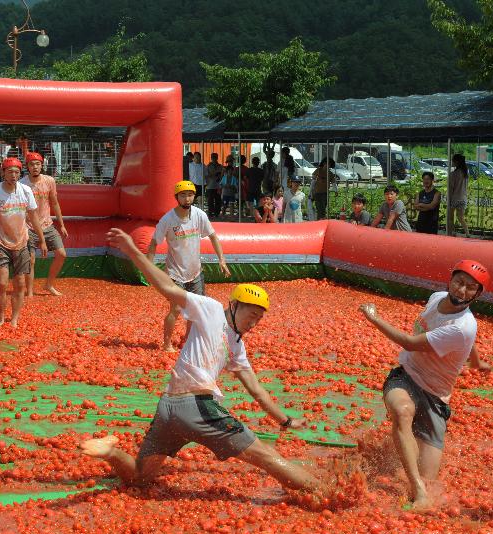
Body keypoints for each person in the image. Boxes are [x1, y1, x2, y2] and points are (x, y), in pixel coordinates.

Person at [82, 228, 320, 493]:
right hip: (197, 407)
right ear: (233, 306)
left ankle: (111, 453)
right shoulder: (211, 309)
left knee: (140, 478)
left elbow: (257, 391)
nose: (253, 323)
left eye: (258, 319)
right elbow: (167, 287)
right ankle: (327, 491)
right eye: (251, 315)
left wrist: (285, 421)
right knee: (267, 457)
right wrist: (133, 251)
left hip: (169, 410)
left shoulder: (236, 347)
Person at [359, 260, 492, 509]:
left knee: (430, 478)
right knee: (402, 411)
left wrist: (374, 318)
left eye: (471, 288)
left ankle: (404, 458)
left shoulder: (463, 327)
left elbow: (410, 342)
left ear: (478, 294)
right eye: (459, 282)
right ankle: (416, 490)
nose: (462, 291)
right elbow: (465, 344)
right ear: (450, 280)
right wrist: (476, 361)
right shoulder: (436, 298)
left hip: (436, 397)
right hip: (406, 376)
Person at [147, 181, 230, 352]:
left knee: (195, 309)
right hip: (175, 272)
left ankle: (188, 340)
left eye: (190, 195)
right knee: (176, 308)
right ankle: (167, 343)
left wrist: (222, 259)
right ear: (176, 197)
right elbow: (154, 242)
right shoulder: (168, 219)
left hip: (195, 271)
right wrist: (149, 267)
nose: (187, 199)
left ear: (194, 196)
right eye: (183, 195)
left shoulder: (199, 215)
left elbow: (213, 236)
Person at [0, 158, 47, 328]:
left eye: (17, 172)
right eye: (10, 171)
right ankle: (2, 318)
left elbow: (33, 217)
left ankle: (15, 319)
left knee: (20, 284)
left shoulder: (26, 191)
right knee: (2, 283)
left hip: (22, 242)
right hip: (1, 243)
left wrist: (42, 240)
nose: (13, 175)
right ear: (3, 172)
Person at [21, 152, 68, 297]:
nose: (35, 167)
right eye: (31, 164)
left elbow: (54, 203)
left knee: (61, 254)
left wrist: (62, 225)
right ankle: (29, 292)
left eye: (37, 164)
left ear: (42, 165)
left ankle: (49, 284)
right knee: (31, 260)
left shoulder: (49, 181)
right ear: (27, 167)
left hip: (47, 224)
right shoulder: (22, 184)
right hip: (29, 227)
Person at [446, 154, 469, 237]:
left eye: (453, 160)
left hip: (454, 198)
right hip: (463, 198)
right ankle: (467, 233)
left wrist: (449, 199)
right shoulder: (465, 173)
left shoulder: (453, 174)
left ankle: (451, 233)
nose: (451, 162)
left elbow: (451, 188)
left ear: (456, 162)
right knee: (461, 218)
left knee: (451, 217)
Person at [204, 153, 223, 218]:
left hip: (218, 186)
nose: (214, 158)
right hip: (210, 186)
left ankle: (217, 213)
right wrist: (213, 174)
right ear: (211, 158)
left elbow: (222, 175)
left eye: (215, 157)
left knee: (218, 200)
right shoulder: (208, 166)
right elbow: (206, 175)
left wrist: (219, 176)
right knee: (210, 201)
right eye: (213, 157)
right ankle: (210, 213)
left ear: (217, 158)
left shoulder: (220, 166)